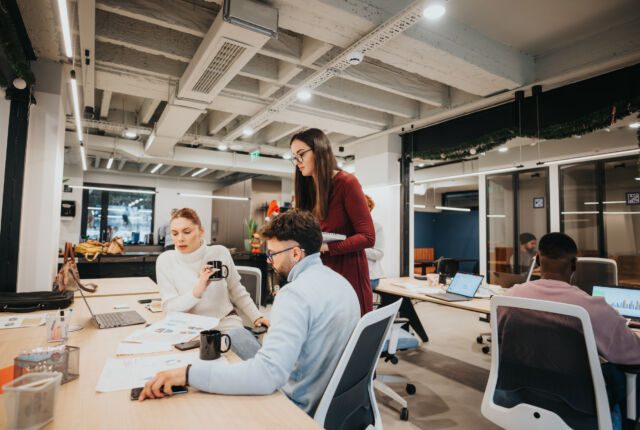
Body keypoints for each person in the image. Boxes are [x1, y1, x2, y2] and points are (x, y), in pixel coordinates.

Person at [139, 209, 360, 417]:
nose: (269, 261)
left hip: (295, 406)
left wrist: (188, 374)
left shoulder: (294, 295)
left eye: (272, 254)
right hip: (333, 405)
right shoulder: (342, 283)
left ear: (295, 253)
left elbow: (266, 376)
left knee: (203, 411)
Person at [505, 233, 640, 425]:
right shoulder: (592, 307)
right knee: (630, 373)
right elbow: (634, 353)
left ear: (536, 260)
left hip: (519, 393)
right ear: (575, 264)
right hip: (577, 402)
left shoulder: (511, 296)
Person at [155, 208, 269, 355]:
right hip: (188, 329)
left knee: (251, 358)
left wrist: (257, 316)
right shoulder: (166, 260)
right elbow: (170, 308)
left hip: (225, 323)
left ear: (201, 231)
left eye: (187, 232)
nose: (180, 239)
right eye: (175, 233)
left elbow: (236, 290)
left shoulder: (219, 252)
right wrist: (198, 290)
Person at [290, 128, 375, 315]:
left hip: (348, 274)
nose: (297, 162)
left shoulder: (346, 183)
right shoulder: (307, 189)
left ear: (319, 150)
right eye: (294, 157)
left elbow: (368, 237)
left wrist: (326, 247)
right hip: (319, 275)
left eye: (301, 154)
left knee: (349, 337)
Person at [364, 194, 384, 291]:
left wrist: (355, 248)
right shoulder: (348, 226)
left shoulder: (376, 227)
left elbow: (379, 254)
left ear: (370, 208)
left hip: (370, 277)